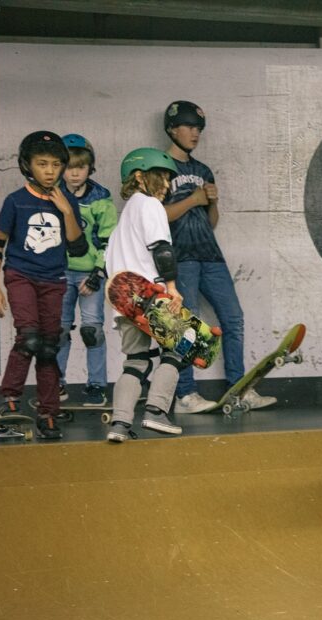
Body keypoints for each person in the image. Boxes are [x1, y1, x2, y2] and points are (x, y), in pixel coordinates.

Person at [161, 100, 274, 413]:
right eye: (189, 127)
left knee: (234, 318)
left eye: (199, 128)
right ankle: (185, 394)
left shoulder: (203, 170)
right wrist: (194, 199)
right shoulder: (160, 168)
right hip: (179, 257)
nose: (195, 133)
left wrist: (211, 203)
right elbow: (157, 217)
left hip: (210, 254)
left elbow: (211, 223)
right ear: (172, 128)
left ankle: (238, 389)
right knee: (187, 325)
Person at [0, 131, 87, 439]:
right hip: (21, 275)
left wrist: (67, 210)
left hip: (54, 281)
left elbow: (78, 248)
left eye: (56, 165)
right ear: (27, 165)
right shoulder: (16, 201)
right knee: (28, 336)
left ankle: (48, 412)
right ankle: (10, 401)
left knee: (48, 346)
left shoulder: (66, 200)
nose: (49, 171)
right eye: (42, 164)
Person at [103, 148, 188, 442]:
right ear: (139, 177)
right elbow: (162, 249)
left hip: (122, 299)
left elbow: (106, 267)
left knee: (136, 361)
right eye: (160, 176)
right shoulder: (150, 206)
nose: (166, 184)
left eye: (168, 178)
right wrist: (173, 288)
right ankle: (156, 411)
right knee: (178, 348)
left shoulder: (121, 223)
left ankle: (120, 425)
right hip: (149, 292)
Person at [55, 133, 118, 407]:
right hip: (58, 272)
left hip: (88, 273)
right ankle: (55, 385)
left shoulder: (101, 198)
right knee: (57, 331)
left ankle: (96, 386)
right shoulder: (51, 195)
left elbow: (109, 239)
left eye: (80, 167)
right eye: (69, 167)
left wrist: (97, 273)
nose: (74, 173)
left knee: (92, 331)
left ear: (90, 167)